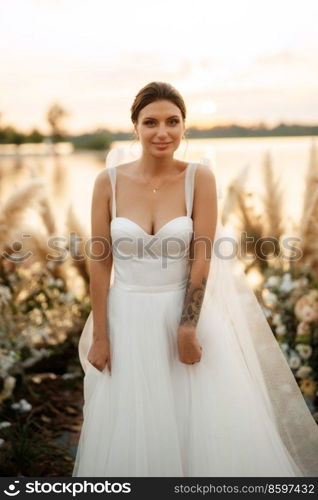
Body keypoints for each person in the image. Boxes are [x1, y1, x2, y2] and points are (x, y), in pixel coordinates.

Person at [73, 81, 318, 477]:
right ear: (135, 127)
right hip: (127, 316)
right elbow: (100, 263)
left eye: (173, 121)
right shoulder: (109, 182)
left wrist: (187, 325)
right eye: (151, 122)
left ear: (184, 127)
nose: (162, 132)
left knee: (200, 422)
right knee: (136, 422)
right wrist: (101, 335)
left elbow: (202, 256)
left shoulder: (198, 178)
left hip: (184, 308)